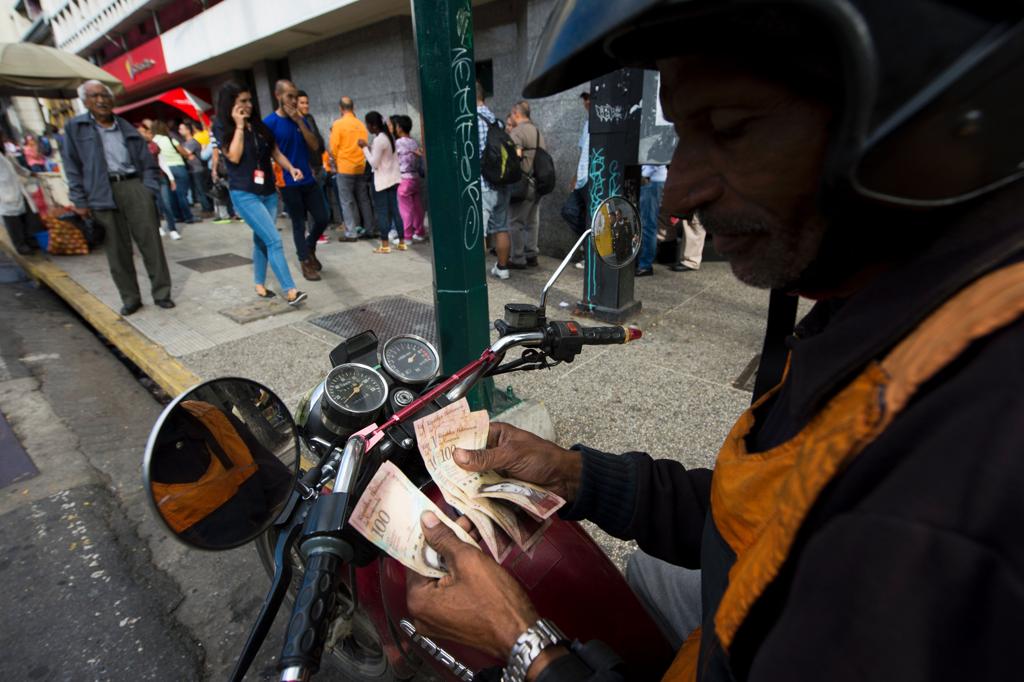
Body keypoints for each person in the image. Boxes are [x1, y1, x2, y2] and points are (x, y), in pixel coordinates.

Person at [404, 2, 1024, 681]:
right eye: (685, 136)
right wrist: (575, 474)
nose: (678, 200)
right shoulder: (889, 305)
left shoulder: (935, 509)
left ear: (921, 116)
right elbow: (764, 518)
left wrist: (523, 642)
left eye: (730, 129)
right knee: (645, 568)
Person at [63, 80, 174, 316]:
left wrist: (149, 189)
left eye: (104, 95)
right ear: (85, 101)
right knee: (116, 249)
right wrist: (79, 200)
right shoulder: (76, 128)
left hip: (134, 185)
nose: (101, 100)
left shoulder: (125, 126)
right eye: (94, 96)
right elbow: (72, 166)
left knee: (151, 243)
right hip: (101, 191)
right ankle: (131, 297)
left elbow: (147, 161)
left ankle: (162, 293)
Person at [212, 82, 307, 306]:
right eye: (242, 102)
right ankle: (291, 290)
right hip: (244, 193)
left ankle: (259, 283)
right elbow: (233, 157)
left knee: (261, 240)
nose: (248, 105)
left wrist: (290, 168)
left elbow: (274, 151)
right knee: (274, 240)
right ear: (231, 105)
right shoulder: (222, 127)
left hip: (268, 191)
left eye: (249, 100)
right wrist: (238, 126)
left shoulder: (259, 125)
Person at [265, 79, 330, 281]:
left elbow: (315, 146)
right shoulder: (269, 123)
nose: (293, 101)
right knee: (298, 224)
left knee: (323, 217)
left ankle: (309, 247)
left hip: (308, 179)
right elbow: (270, 153)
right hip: (287, 182)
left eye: (295, 96)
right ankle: (305, 262)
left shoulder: (302, 119)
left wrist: (300, 121)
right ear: (278, 96)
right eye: (289, 96)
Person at [477, 83, 512, 280]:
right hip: (502, 184)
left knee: (478, 232)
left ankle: (477, 274)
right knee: (501, 227)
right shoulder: (496, 121)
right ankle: (503, 267)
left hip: (482, 185)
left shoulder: (471, 122)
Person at [359, 111, 405, 254]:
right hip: (393, 178)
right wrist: (370, 147)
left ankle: (385, 245)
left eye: (367, 124)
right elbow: (382, 155)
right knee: (395, 211)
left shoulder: (379, 139)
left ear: (373, 125)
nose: (367, 127)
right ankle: (402, 242)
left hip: (382, 181)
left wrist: (364, 148)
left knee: (382, 212)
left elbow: (374, 163)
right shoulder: (388, 136)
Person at [329, 96, 374, 241]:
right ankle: (370, 229)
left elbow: (333, 148)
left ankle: (351, 232)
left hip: (345, 167)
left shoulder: (338, 124)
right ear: (353, 108)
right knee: (364, 199)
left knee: (346, 201)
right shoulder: (360, 124)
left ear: (340, 109)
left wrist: (335, 161)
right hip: (360, 166)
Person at [507, 100, 545, 270]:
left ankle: (518, 258)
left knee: (515, 222)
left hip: (522, 183)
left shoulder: (517, 132)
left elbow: (515, 157)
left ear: (516, 114)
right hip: (538, 182)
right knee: (532, 221)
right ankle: (532, 254)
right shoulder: (537, 131)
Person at [138, 121, 182, 240]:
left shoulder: (155, 145)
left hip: (160, 177)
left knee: (166, 204)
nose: (146, 134)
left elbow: (162, 161)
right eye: (142, 132)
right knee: (153, 205)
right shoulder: (137, 148)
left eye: (147, 131)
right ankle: (158, 226)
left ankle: (172, 228)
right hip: (147, 180)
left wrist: (171, 178)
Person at [150, 120, 197, 226]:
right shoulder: (170, 139)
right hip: (178, 166)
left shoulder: (153, 141)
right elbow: (183, 152)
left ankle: (177, 216)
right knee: (182, 194)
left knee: (171, 195)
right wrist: (187, 155)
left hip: (164, 169)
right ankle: (188, 217)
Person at [392, 114, 426, 243]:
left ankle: (407, 236)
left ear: (399, 128)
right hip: (415, 178)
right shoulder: (413, 142)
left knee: (405, 210)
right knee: (417, 207)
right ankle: (419, 232)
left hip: (404, 179)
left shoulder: (399, 143)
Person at [0, 150, 40, 254]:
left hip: (18, 190)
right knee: (13, 222)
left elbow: (17, 168)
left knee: (28, 216)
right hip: (4, 193)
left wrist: (30, 173)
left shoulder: (6, 154)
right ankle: (21, 246)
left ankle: (31, 241)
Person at [569, 91, 590, 269]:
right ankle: (589, 248)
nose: (586, 102)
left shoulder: (601, 122)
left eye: (589, 98)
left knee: (592, 218)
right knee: (570, 211)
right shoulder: (587, 123)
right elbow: (582, 152)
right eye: (584, 99)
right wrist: (576, 176)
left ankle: (591, 253)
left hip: (594, 178)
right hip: (583, 178)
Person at [635, 163, 667, 276]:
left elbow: (656, 159)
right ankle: (643, 263)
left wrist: (644, 175)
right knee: (646, 223)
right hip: (650, 179)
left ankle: (645, 265)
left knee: (648, 223)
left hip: (651, 179)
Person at [178, 121, 213, 214]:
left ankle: (207, 209)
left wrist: (183, 152)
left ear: (188, 130)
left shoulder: (192, 142)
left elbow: (185, 153)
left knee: (201, 190)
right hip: (193, 168)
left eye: (181, 129)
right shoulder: (185, 143)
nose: (179, 131)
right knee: (199, 190)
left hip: (198, 169)